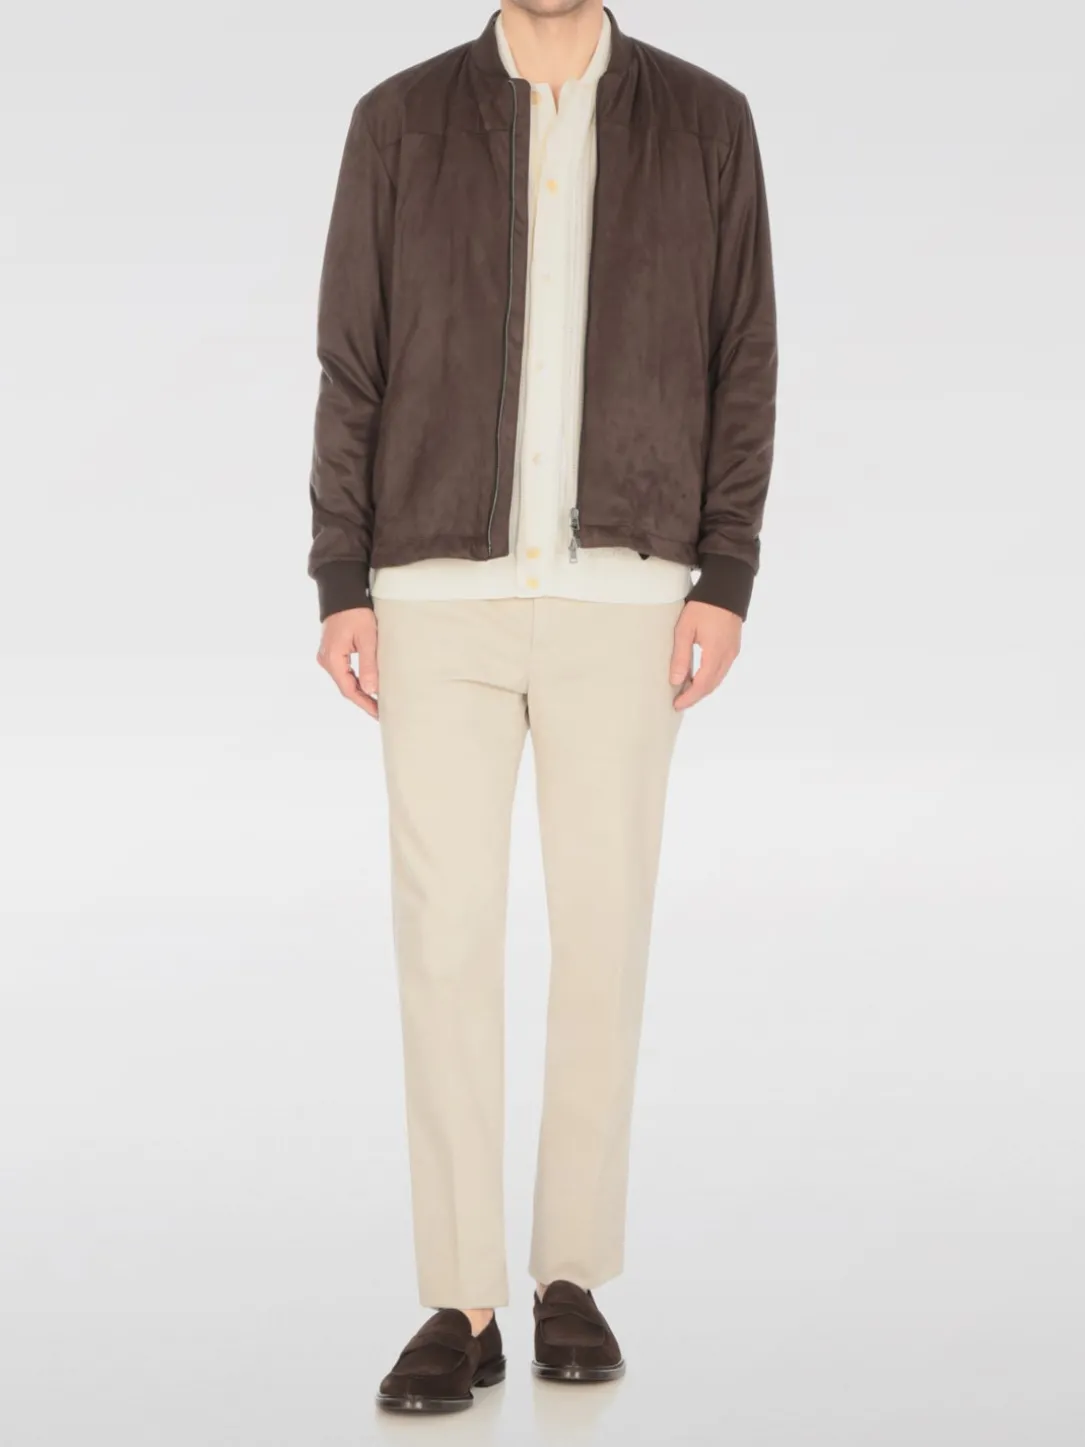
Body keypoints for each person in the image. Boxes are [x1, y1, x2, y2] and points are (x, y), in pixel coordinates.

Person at [307, 0, 776, 1414]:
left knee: (603, 932)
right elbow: (352, 360)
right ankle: (460, 1297)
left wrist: (726, 573)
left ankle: (572, 1272)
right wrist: (341, 576)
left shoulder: (706, 123)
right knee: (445, 940)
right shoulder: (399, 121)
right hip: (430, 592)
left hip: (628, 596)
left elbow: (742, 358)